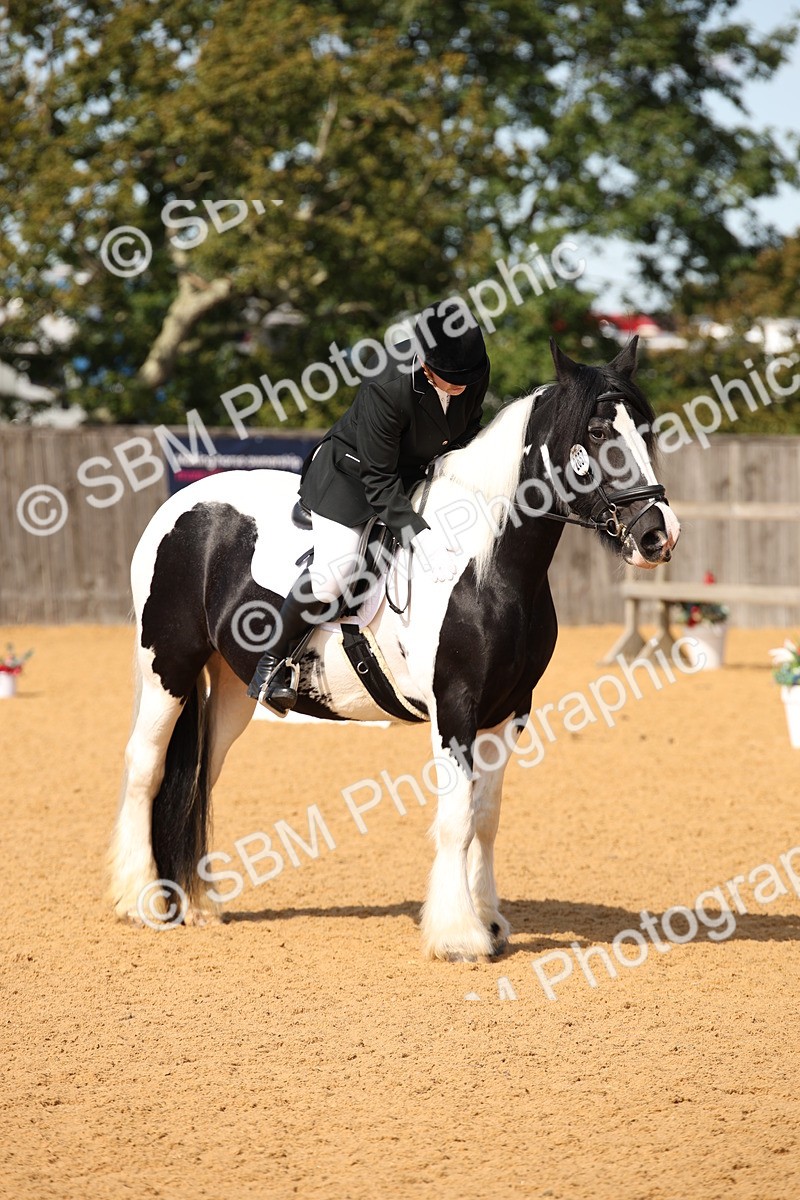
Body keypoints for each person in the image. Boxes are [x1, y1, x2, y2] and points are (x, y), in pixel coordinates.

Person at [248, 298, 490, 713]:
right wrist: (420, 537)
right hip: (354, 477)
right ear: (424, 364)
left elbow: (467, 429)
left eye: (465, 378)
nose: (461, 387)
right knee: (335, 571)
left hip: (417, 471)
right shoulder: (389, 387)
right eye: (449, 379)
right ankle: (272, 663)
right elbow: (379, 481)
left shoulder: (470, 370)